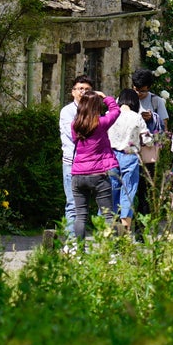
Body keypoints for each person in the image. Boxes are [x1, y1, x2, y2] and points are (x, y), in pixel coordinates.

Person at [67, 89, 122, 240]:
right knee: (107, 215)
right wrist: (106, 97)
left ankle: (79, 251)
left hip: (78, 175)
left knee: (81, 216)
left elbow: (74, 141)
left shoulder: (75, 125)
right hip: (98, 174)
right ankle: (112, 252)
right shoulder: (101, 123)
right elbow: (116, 111)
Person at [110, 85, 152, 226]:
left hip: (111, 156)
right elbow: (148, 140)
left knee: (111, 190)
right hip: (130, 156)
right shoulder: (137, 118)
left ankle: (108, 228)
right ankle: (125, 228)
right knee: (128, 191)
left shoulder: (110, 115)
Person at [58, 74, 94, 228]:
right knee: (73, 203)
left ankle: (81, 242)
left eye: (87, 90)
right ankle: (72, 245)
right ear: (73, 92)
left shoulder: (95, 111)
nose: (83, 92)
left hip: (92, 163)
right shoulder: (67, 111)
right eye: (80, 89)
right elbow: (74, 135)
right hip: (72, 162)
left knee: (88, 205)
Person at [132, 68, 168, 138]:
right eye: (136, 90)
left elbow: (164, 126)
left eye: (142, 91)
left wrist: (152, 119)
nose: (138, 93)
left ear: (149, 88)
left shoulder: (156, 101)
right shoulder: (124, 99)